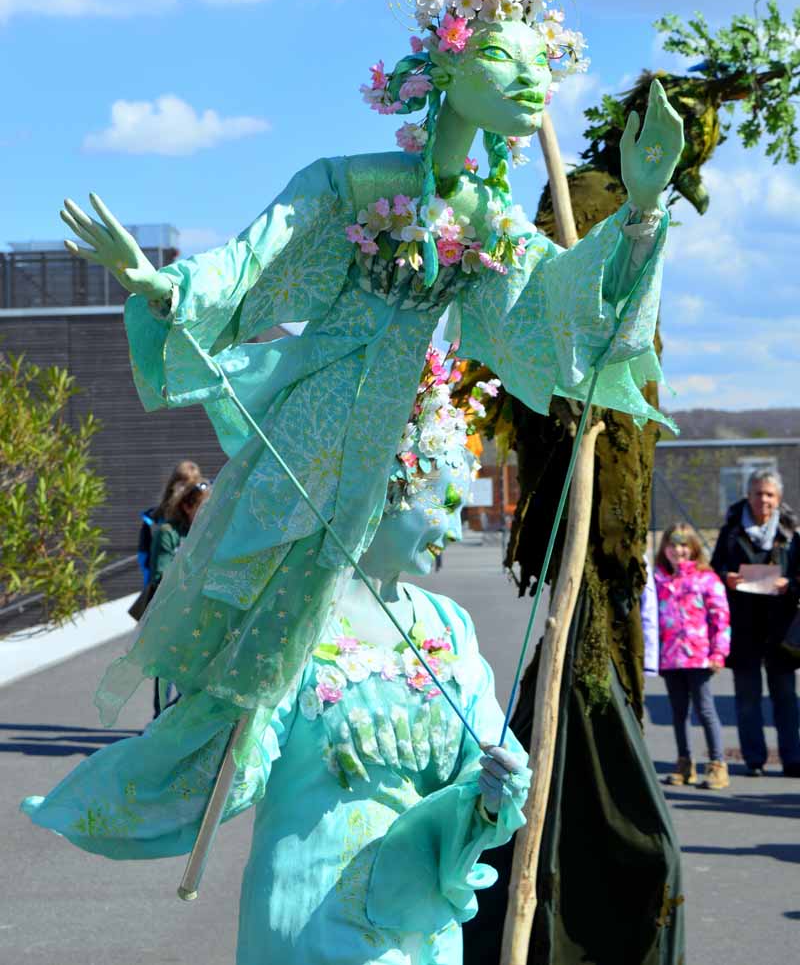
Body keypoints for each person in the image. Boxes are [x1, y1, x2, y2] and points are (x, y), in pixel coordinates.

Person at [57, 0, 683, 745]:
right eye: (505, 57)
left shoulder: (491, 222)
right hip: (308, 419)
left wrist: (638, 217)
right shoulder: (351, 185)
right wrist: (166, 285)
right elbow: (256, 256)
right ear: (447, 68)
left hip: (390, 434)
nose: (534, 80)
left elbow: (563, 306)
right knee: (253, 593)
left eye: (544, 64)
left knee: (348, 610)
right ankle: (222, 754)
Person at [24, 350, 530, 965]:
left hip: (419, 921)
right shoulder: (299, 618)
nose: (454, 527)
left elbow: (484, 755)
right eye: (444, 504)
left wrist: (497, 788)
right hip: (310, 911)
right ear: (389, 492)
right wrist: (218, 756)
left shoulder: (450, 626)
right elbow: (245, 756)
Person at [711, 468, 800, 777]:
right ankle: (754, 759)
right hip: (744, 628)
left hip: (781, 629)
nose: (764, 499)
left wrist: (790, 583)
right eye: (758, 493)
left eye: (770, 494)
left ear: (779, 498)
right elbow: (713, 572)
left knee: (786, 698)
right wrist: (727, 579)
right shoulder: (731, 532)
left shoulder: (792, 535)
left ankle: (792, 759)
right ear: (748, 495)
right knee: (747, 699)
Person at [655, 523, 730, 788]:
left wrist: (719, 651)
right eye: (673, 545)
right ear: (664, 548)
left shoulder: (706, 579)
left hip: (700, 657)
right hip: (670, 658)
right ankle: (684, 763)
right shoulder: (658, 580)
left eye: (684, 545)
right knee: (678, 712)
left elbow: (720, 617)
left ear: (694, 548)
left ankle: (717, 764)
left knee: (705, 709)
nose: (678, 550)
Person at [150, 476, 210, 716]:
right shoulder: (168, 533)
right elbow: (160, 574)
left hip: (197, 614)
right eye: (203, 508)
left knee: (193, 672)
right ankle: (160, 718)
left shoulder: (208, 533)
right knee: (165, 670)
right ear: (187, 506)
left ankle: (176, 715)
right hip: (170, 614)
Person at [137, 460, 201, 584]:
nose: (187, 491)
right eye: (184, 484)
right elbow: (149, 566)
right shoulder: (160, 525)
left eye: (192, 486)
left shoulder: (197, 522)